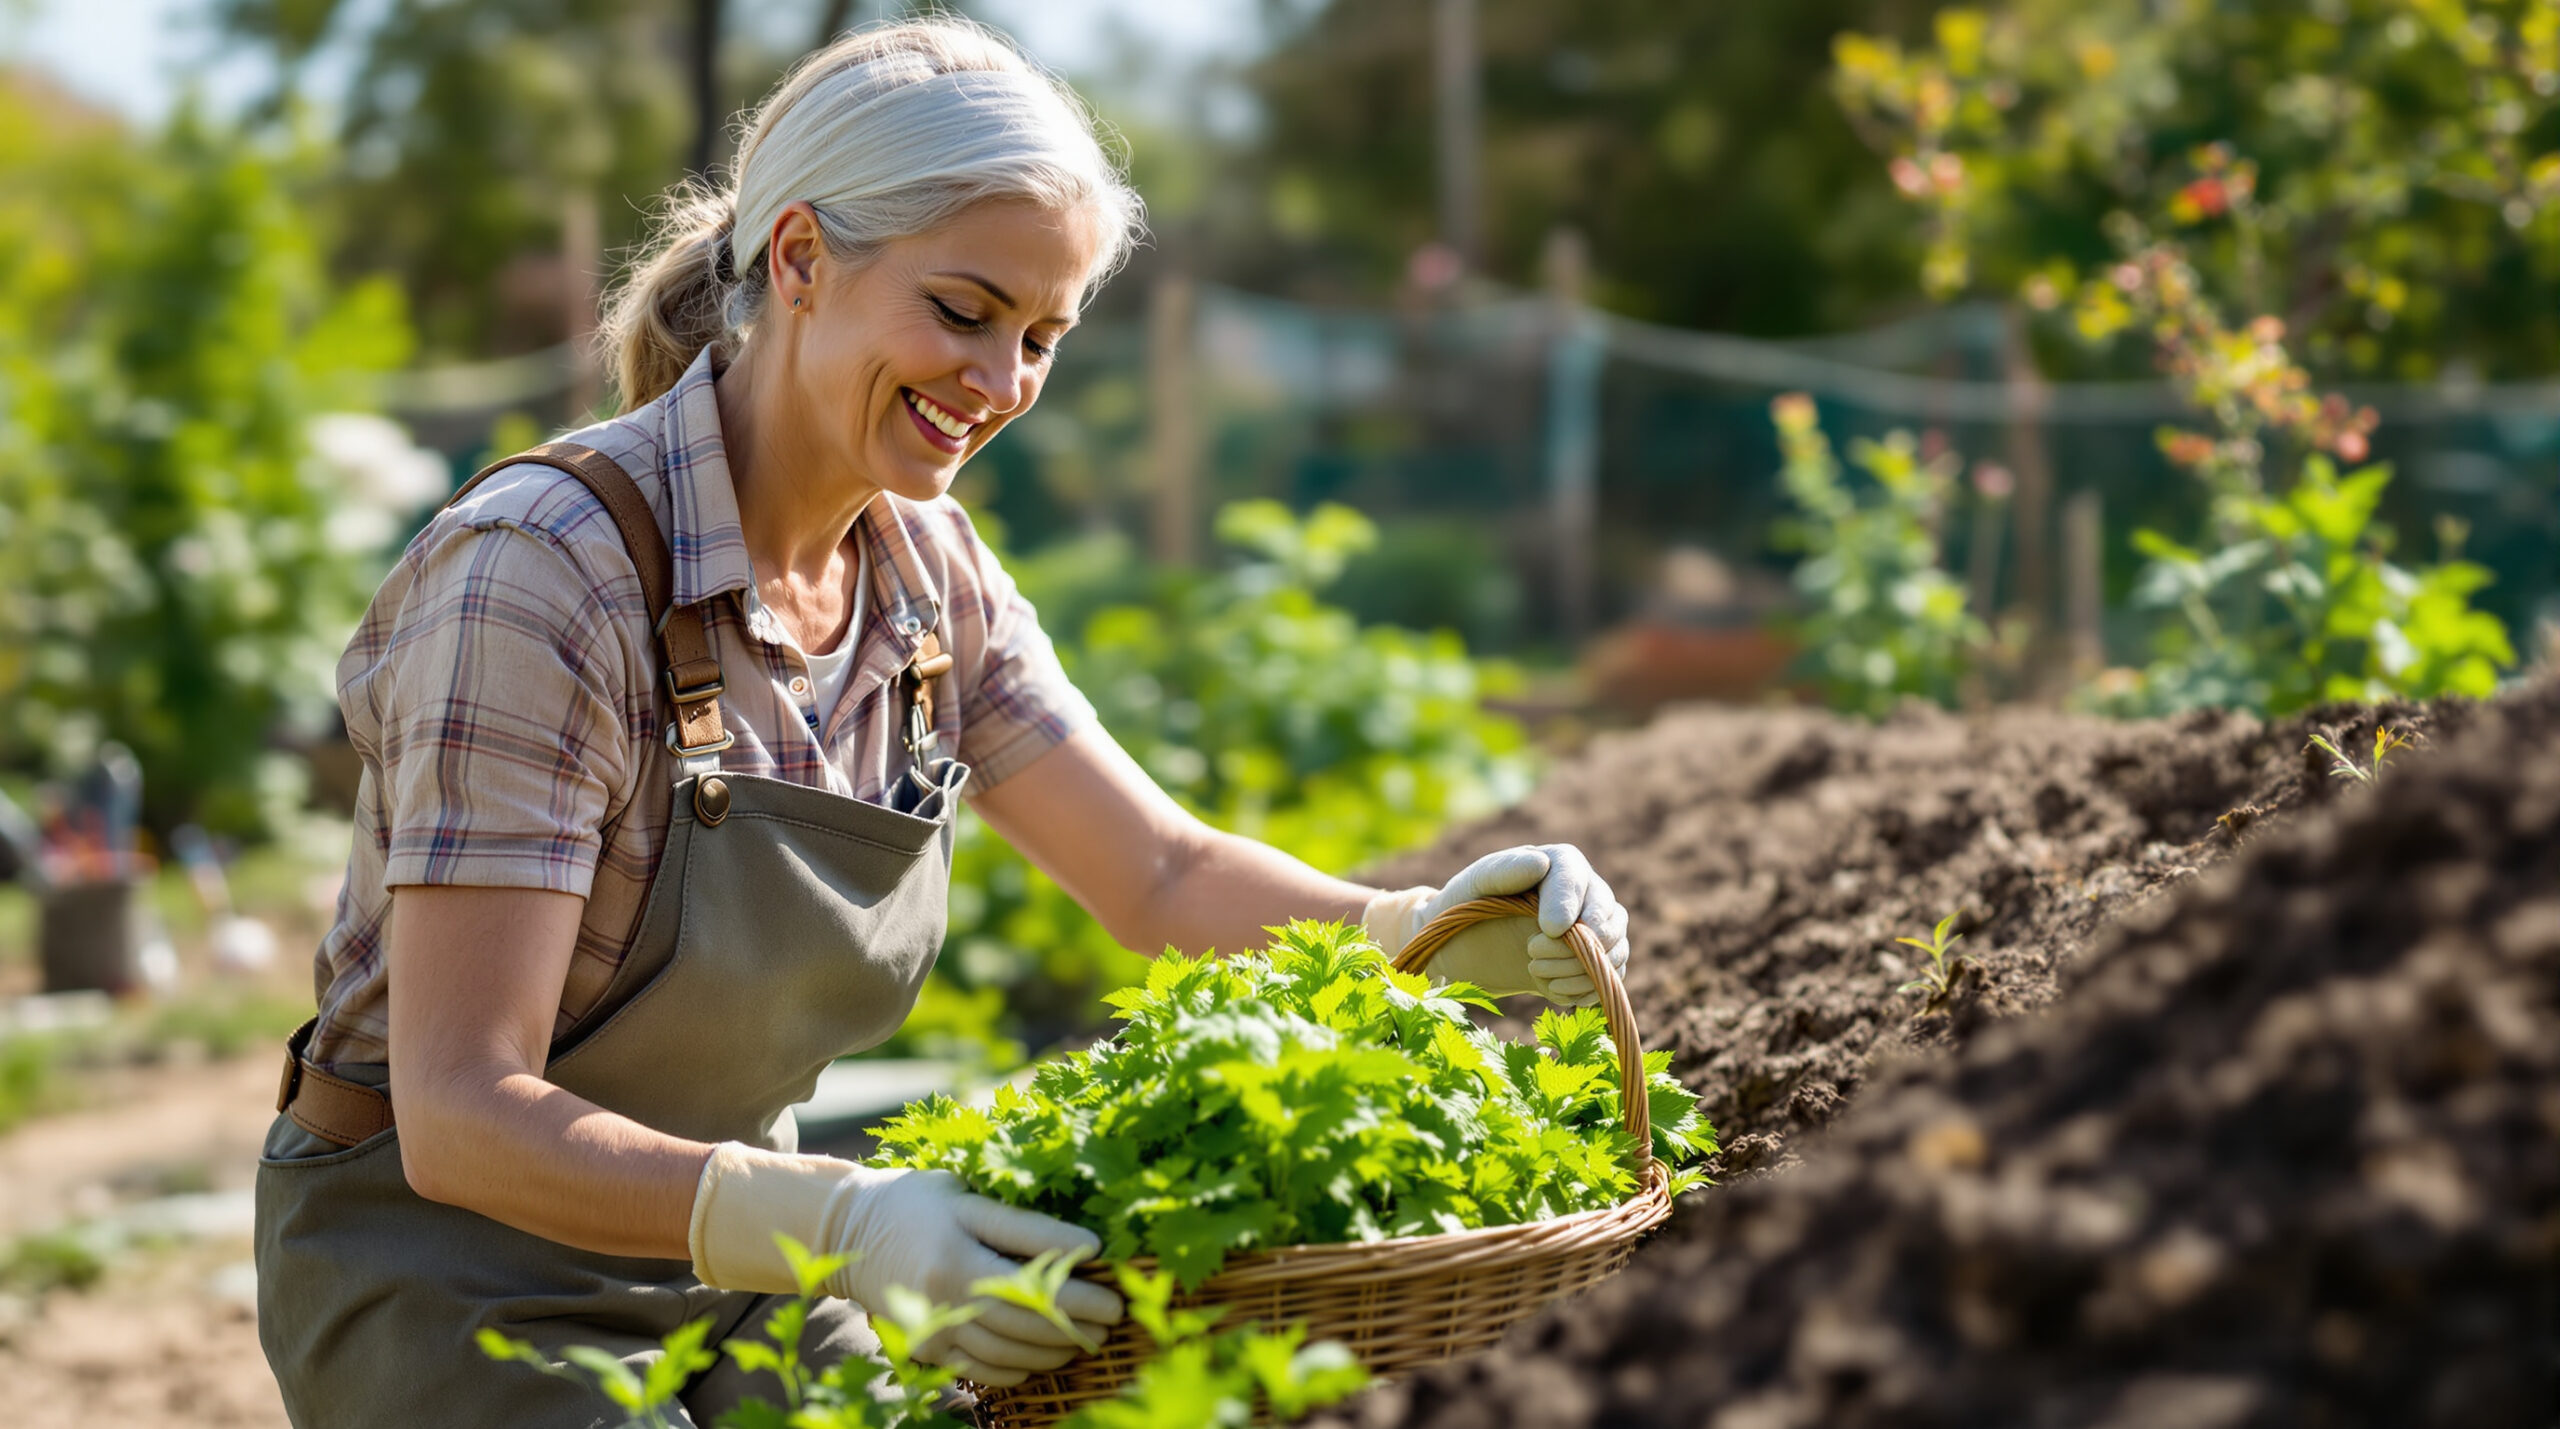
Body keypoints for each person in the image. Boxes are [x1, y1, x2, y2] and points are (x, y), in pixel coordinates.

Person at [252, 19, 1634, 1428]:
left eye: (1042, 336)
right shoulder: (545, 574)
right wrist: (850, 1224)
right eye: (964, 311)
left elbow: (1155, 870)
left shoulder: (927, 573)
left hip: (735, 1271)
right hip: (452, 1278)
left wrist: (1409, 931)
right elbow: (461, 1107)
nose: (1003, 382)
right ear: (799, 261)